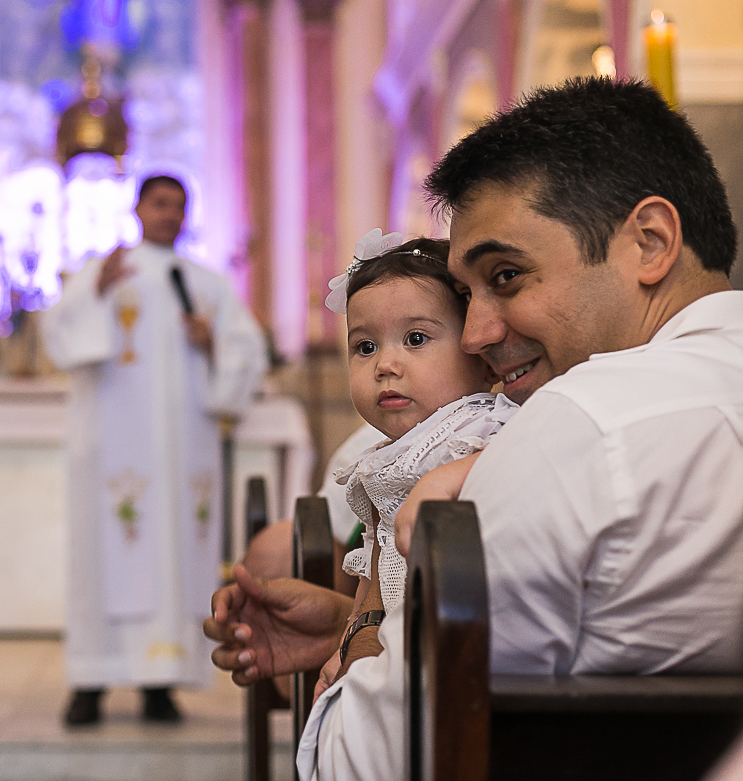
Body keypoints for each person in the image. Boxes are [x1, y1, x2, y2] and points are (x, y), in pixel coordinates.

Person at [203, 76, 743, 781]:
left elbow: (362, 763)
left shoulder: (579, 426)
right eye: (466, 295)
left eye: (508, 276)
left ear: (649, 241)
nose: (479, 333)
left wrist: (366, 630)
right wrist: (358, 621)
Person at [43, 175, 267, 725]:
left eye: (178, 206)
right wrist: (95, 295)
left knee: (174, 553)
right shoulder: (106, 272)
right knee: (105, 549)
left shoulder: (205, 284)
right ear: (139, 207)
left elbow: (247, 352)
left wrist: (210, 343)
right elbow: (59, 334)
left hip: (185, 445)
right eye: (160, 203)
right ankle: (91, 679)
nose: (169, 214)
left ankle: (159, 682)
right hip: (114, 447)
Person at [314, 231, 516, 693]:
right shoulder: (386, 458)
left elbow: (521, 459)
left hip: (464, 650)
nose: (385, 364)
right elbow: (376, 569)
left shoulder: (477, 430)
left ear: (483, 358)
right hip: (403, 646)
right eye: (365, 347)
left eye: (416, 338)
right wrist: (348, 645)